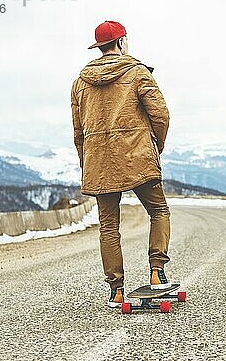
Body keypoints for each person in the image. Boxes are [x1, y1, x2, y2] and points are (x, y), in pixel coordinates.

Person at [70, 20, 172, 308]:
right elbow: (161, 115)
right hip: (137, 156)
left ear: (99, 47)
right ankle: (156, 271)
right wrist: (156, 146)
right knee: (159, 211)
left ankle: (116, 290)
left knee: (109, 226)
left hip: (99, 161)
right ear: (122, 42)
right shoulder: (138, 73)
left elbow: (78, 132)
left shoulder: (79, 83)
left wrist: (87, 162)